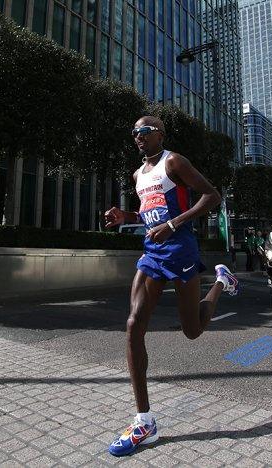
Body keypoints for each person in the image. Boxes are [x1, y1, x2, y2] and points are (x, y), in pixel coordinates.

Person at [104, 116, 239, 456]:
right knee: (134, 325)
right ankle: (144, 422)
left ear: (160, 134)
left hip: (181, 250)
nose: (139, 136)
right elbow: (148, 213)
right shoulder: (137, 175)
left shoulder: (174, 162)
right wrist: (127, 217)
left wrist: (174, 224)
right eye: (134, 132)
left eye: (145, 131)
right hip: (152, 253)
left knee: (192, 330)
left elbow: (212, 196)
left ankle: (221, 281)